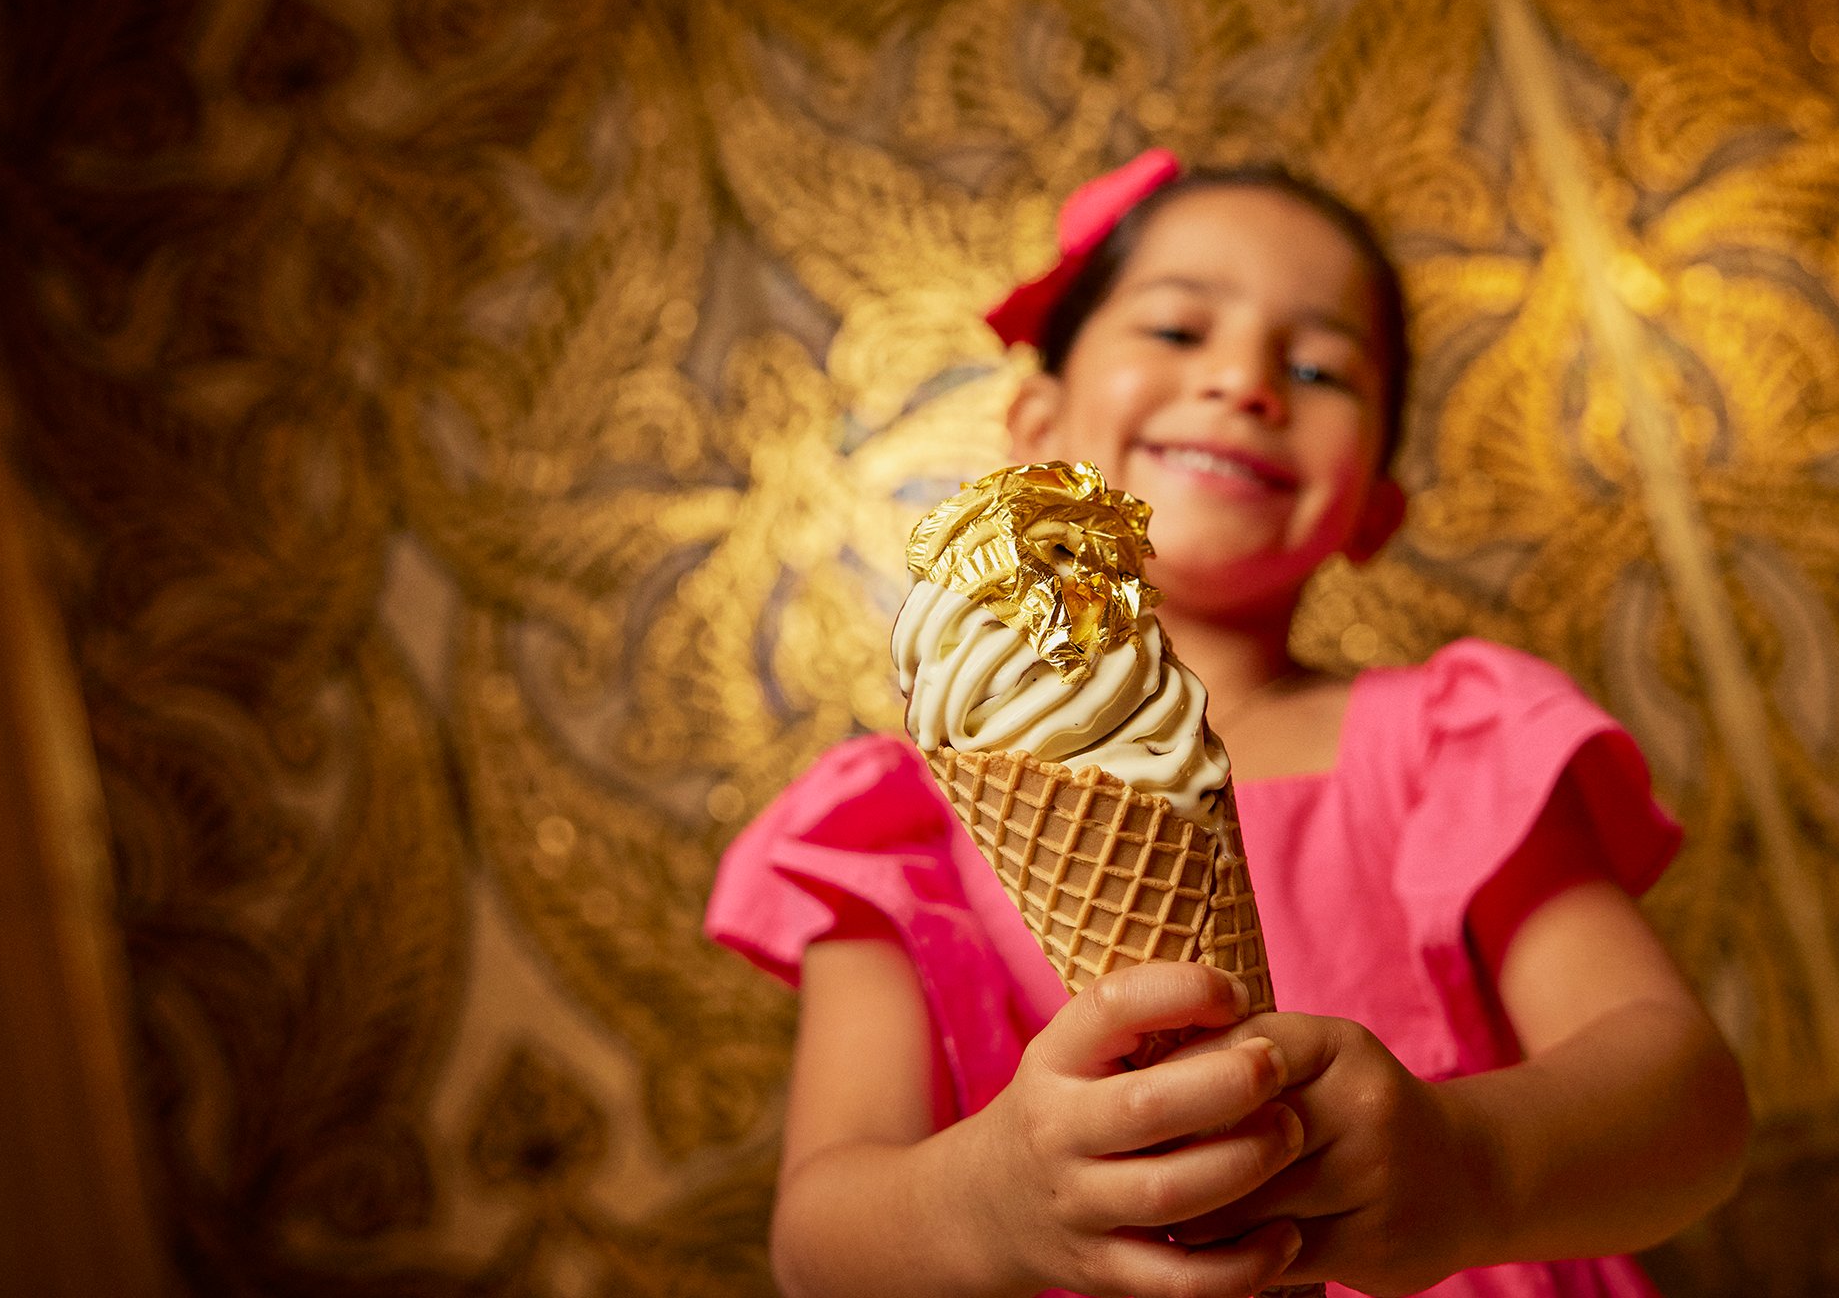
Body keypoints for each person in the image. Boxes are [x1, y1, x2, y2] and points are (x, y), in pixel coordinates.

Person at [705, 149, 1751, 1298]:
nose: (1249, 381)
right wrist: (992, 1203)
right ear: (1033, 421)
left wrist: (1470, 1163)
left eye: (1317, 365)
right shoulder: (898, 825)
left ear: (1374, 505)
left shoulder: (1450, 744)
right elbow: (817, 1246)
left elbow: (1686, 1102)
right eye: (1174, 330)